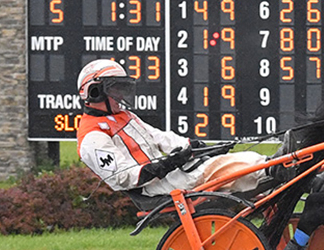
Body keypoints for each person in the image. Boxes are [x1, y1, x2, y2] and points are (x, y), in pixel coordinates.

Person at [75, 59, 274, 197]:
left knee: (218, 160)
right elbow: (122, 177)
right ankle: (272, 170)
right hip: (153, 188)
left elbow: (160, 138)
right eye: (115, 89)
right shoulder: (92, 137)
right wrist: (167, 164)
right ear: (94, 92)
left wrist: (195, 146)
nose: (121, 95)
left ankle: (271, 179)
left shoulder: (124, 116)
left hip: (167, 175)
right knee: (221, 167)